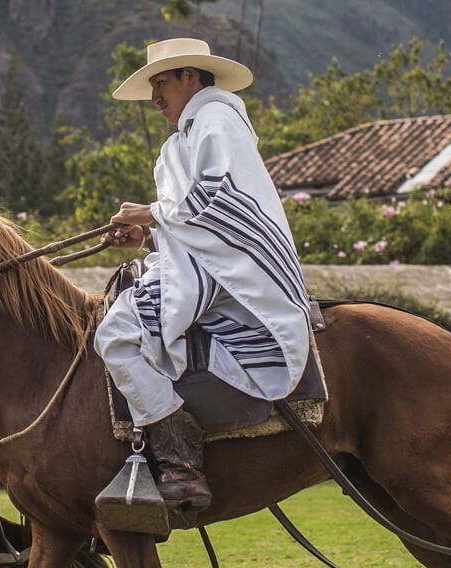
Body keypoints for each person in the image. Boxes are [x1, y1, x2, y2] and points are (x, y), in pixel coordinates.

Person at [94, 38, 314, 513]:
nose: (154, 98)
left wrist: (152, 214)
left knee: (115, 334)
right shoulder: (185, 138)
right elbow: (199, 228)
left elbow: (224, 201)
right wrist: (149, 240)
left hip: (237, 276)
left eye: (160, 83)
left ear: (190, 77)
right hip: (211, 271)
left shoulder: (216, 119)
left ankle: (180, 458)